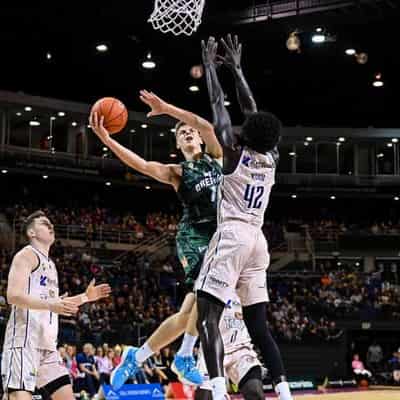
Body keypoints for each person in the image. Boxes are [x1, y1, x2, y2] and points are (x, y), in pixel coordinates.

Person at [90, 91, 223, 388]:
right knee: (208, 299)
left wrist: (167, 109)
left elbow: (207, 125)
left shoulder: (216, 157)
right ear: (177, 144)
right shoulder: (178, 172)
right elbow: (140, 164)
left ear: (199, 138)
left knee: (189, 312)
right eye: (182, 133)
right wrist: (107, 140)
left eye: (191, 131)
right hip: (195, 237)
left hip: (221, 237)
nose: (188, 132)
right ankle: (185, 355)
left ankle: (137, 357)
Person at [195, 35, 293, 400]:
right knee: (258, 323)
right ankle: (283, 390)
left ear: (245, 135)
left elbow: (218, 105)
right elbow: (250, 109)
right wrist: (237, 69)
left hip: (234, 233)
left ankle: (218, 390)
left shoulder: (233, 155)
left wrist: (210, 68)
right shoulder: (272, 158)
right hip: (258, 241)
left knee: (207, 314)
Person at [1, 210, 111, 400]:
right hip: (24, 343)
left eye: (51, 222)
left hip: (48, 348)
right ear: (31, 233)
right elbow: (13, 296)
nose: (50, 225)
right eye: (44, 223)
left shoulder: (51, 265)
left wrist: (85, 297)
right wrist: (52, 305)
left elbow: (55, 304)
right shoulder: (26, 255)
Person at [195, 293, 264, 400]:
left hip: (240, 348)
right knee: (205, 397)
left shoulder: (248, 285)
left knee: (255, 392)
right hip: (212, 348)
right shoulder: (209, 283)